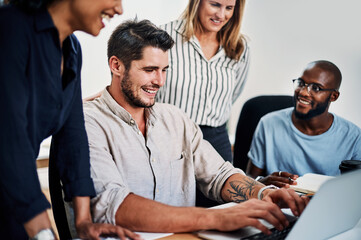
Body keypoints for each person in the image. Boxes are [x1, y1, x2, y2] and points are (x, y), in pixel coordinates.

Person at [83, 19, 308, 235]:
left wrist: (263, 193)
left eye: (164, 70)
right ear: (116, 66)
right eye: (150, 70)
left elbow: (219, 174)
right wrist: (215, 219)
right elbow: (113, 204)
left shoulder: (175, 119)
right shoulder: (88, 123)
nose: (160, 81)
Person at [0, 1, 140, 239]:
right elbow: (8, 137)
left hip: (14, 198)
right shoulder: (9, 27)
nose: (119, 9)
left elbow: (72, 137)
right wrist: (41, 227)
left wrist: (84, 221)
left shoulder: (71, 48)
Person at [156, 0, 250, 164]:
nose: (221, 15)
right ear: (197, 3)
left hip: (216, 141)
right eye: (215, 5)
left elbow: (233, 94)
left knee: (224, 189)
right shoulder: (162, 36)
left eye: (229, 8)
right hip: (168, 136)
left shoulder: (239, 47)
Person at [246, 60, 361, 188]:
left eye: (316, 88)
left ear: (333, 96)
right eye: (301, 83)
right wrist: (262, 183)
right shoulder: (268, 124)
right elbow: (250, 180)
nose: (303, 92)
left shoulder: (354, 137)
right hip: (277, 204)